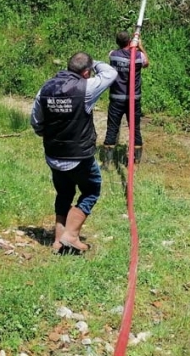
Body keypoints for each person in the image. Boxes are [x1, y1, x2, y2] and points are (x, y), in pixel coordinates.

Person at [31, 52, 117, 254]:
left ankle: (58, 240)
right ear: (86, 72)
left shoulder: (45, 88)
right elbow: (111, 73)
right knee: (90, 191)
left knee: (64, 193)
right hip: (79, 156)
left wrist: (48, 135)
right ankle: (71, 235)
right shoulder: (86, 87)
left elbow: (35, 122)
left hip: (53, 155)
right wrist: (94, 63)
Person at [101, 31, 149, 166]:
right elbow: (146, 63)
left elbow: (112, 53)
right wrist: (140, 47)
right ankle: (137, 161)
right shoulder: (139, 56)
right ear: (129, 42)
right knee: (135, 128)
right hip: (134, 99)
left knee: (112, 128)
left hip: (116, 98)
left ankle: (107, 162)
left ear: (117, 42)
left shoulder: (113, 55)